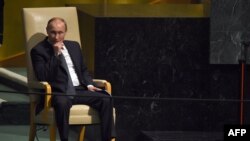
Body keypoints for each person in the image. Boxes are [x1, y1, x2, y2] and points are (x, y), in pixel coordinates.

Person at [30, 17, 115, 141]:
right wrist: (55, 55)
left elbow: (83, 70)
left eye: (60, 33)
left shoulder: (74, 46)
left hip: (80, 89)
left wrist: (89, 85)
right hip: (58, 92)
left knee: (106, 98)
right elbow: (43, 76)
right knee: (62, 104)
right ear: (47, 31)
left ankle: (108, 139)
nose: (56, 36)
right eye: (53, 32)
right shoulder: (38, 50)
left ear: (65, 32)